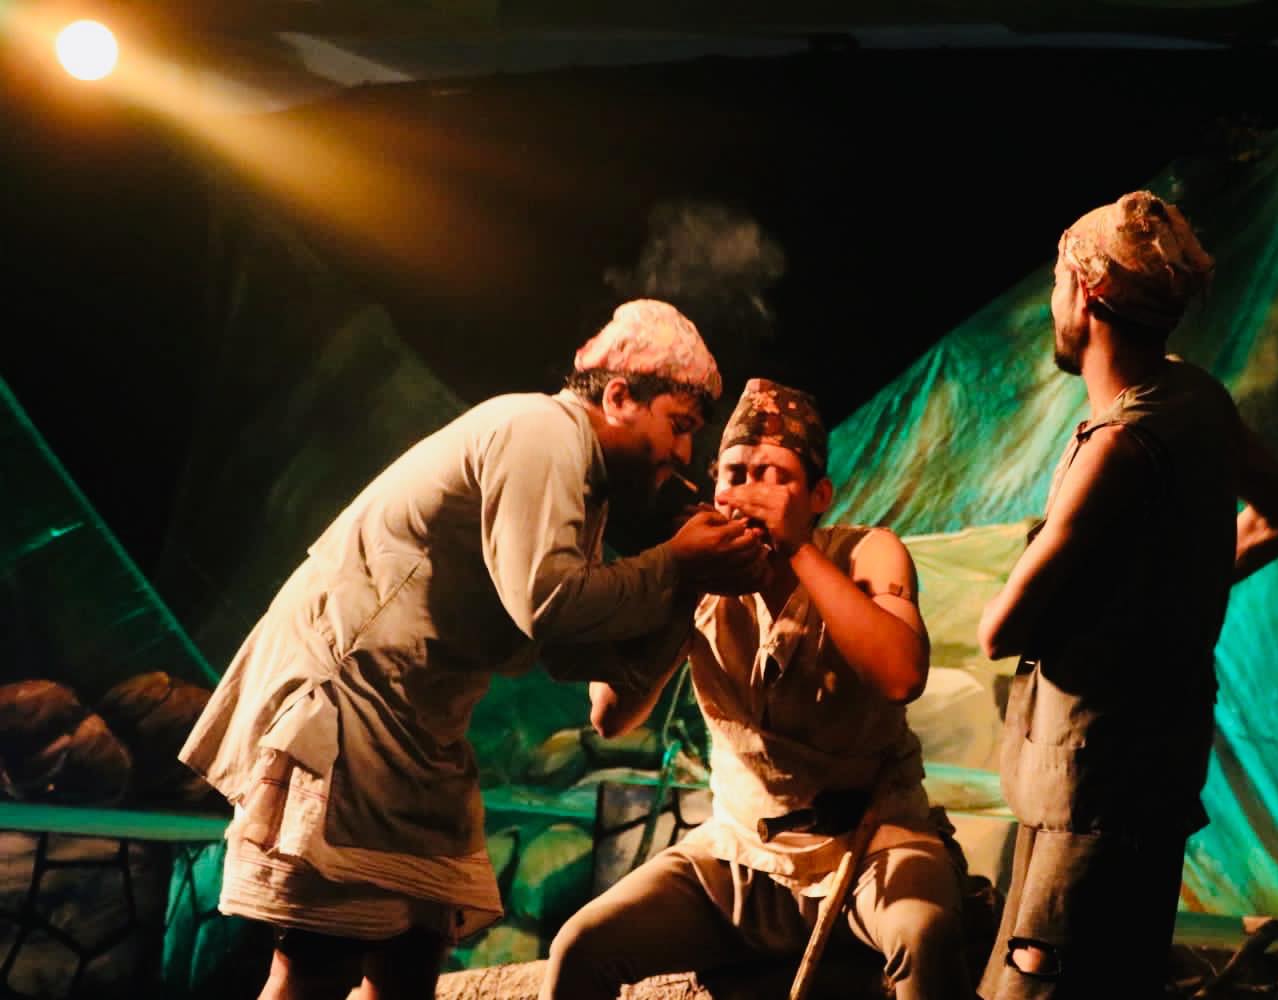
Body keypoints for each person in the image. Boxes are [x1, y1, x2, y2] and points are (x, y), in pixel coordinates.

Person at [180, 299, 765, 1000]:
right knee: (319, 962)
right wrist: (675, 563)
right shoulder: (541, 432)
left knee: (409, 960)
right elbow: (549, 603)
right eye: (679, 425)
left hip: (414, 729)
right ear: (618, 397)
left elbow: (582, 667)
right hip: (351, 710)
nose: (684, 456)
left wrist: (688, 588)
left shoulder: (584, 485)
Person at [975, 192, 1278, 999]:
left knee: (1037, 985)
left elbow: (1000, 630)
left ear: (1088, 294)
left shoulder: (1119, 447)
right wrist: (1174, 589)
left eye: (1056, 284)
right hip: (1160, 769)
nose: (1053, 303)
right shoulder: (1198, 399)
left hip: (1087, 786)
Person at [544, 378, 972, 1000]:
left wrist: (795, 549)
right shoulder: (695, 572)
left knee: (923, 932)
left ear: (818, 495)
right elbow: (611, 716)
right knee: (581, 947)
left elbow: (901, 674)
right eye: (737, 474)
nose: (751, 492)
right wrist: (682, 583)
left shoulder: (865, 553)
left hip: (870, 844)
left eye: (775, 476)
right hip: (741, 852)